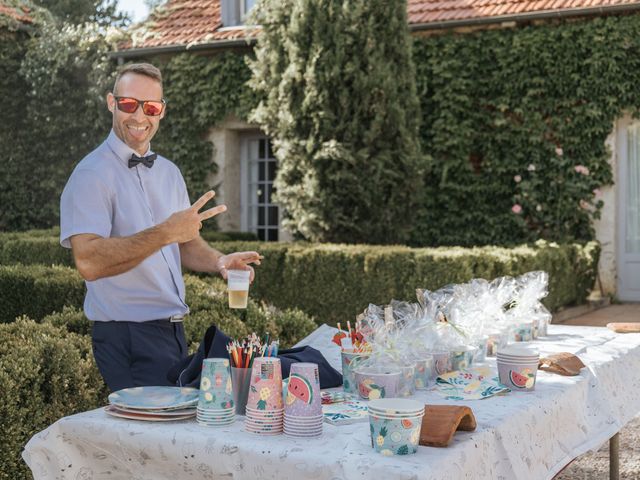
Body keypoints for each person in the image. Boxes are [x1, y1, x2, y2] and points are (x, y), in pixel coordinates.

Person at [60, 63, 261, 392]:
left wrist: (218, 261)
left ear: (161, 111)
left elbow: (185, 243)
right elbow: (89, 261)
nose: (140, 117)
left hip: (171, 332)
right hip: (126, 337)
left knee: (175, 436)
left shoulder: (169, 172)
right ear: (112, 102)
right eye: (129, 104)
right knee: (150, 439)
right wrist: (165, 232)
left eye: (151, 107)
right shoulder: (90, 175)